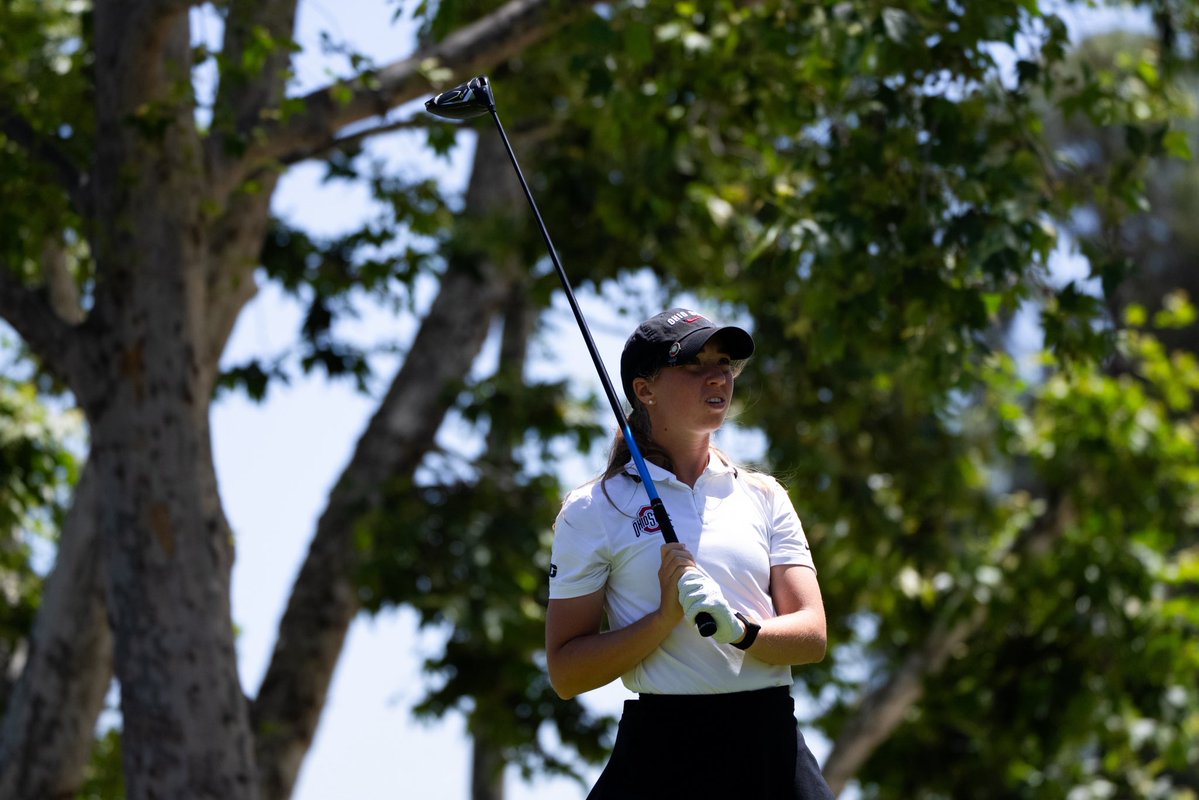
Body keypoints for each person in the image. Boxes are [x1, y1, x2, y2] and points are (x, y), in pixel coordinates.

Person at [546, 308, 835, 799]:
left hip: (769, 744)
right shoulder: (593, 509)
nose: (718, 376)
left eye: (724, 363)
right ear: (645, 390)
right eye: (694, 365)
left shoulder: (763, 495)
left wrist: (741, 631)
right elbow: (567, 672)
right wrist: (662, 619)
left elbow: (812, 636)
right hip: (663, 748)